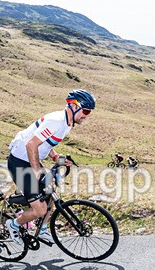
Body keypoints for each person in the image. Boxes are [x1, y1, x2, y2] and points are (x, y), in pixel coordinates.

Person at [6, 89, 95, 244]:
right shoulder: (56, 121)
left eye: (89, 112)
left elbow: (45, 143)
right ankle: (13, 225)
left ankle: (43, 230)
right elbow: (31, 144)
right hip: (20, 162)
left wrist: (54, 156)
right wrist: (35, 171)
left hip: (29, 159)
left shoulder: (67, 123)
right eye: (85, 111)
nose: (86, 116)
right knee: (39, 210)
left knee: (50, 192)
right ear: (73, 106)